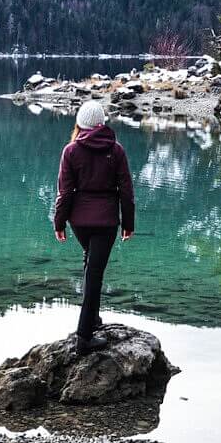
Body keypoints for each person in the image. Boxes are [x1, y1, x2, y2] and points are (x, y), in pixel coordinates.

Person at [53, 99, 135, 356]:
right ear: (101, 123)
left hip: (79, 220)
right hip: (107, 220)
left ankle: (93, 319)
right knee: (95, 273)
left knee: (91, 266)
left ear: (80, 122)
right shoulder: (116, 149)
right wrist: (128, 222)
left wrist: (59, 222)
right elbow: (126, 191)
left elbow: (64, 192)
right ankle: (84, 337)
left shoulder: (71, 150)